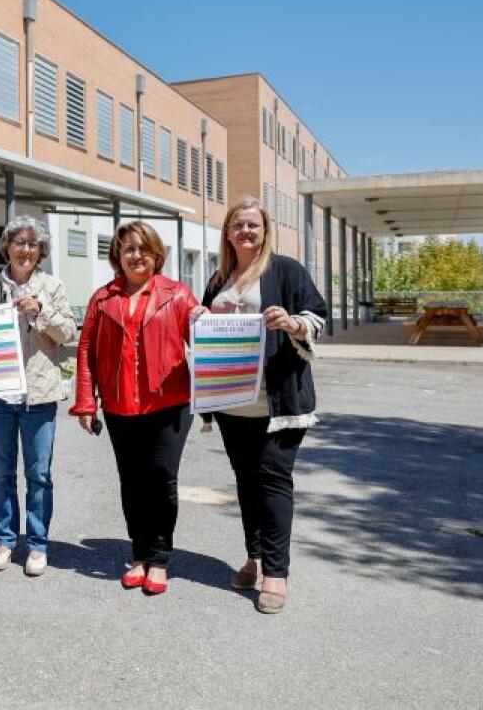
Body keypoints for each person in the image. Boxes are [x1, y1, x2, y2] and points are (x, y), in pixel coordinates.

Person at [194, 196, 326, 614]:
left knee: (272, 481)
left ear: (265, 230)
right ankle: (253, 556)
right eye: (238, 225)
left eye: (253, 225)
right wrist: (199, 316)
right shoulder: (218, 280)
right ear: (228, 233)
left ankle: (276, 573)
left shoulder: (285, 270)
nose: (245, 232)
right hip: (233, 404)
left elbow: (318, 315)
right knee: (246, 483)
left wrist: (292, 322)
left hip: (279, 404)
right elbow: (203, 333)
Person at [71, 221, 200, 596]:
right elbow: (85, 350)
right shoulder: (102, 298)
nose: (136, 255)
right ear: (118, 255)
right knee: (132, 481)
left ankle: (159, 559)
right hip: (119, 406)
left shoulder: (177, 295)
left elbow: (207, 340)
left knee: (161, 479)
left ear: (157, 254)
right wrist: (85, 401)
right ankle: (139, 555)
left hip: (170, 405)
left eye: (144, 248)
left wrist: (211, 323)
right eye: (128, 248)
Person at [0, 216, 76, 577]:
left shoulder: (52, 285)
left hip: (39, 394)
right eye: (19, 242)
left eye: (33, 244)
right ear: (7, 247)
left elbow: (69, 334)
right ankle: (4, 539)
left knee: (39, 475)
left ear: (41, 251)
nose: (26, 250)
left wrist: (42, 311)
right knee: (1, 474)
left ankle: (37, 545)